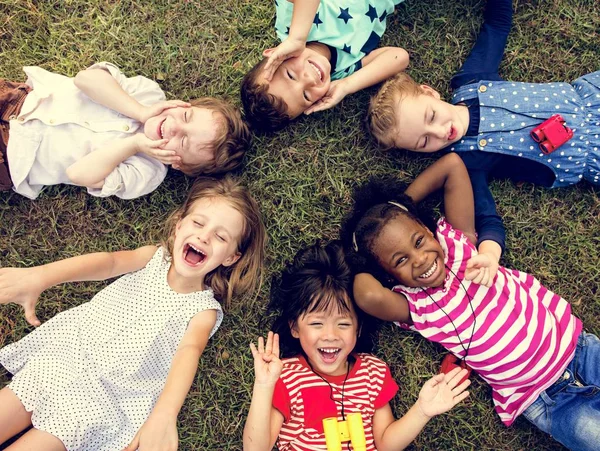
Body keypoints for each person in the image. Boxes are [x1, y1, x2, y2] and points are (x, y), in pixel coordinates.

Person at [341, 153, 600, 451]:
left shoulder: (460, 245)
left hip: (578, 348)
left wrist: (398, 207)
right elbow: (366, 294)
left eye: (418, 241)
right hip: (541, 397)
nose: (420, 259)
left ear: (428, 231)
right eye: (400, 260)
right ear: (388, 276)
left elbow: (452, 166)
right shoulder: (415, 308)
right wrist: (357, 256)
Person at [0, 175, 266, 450]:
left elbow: (189, 353)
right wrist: (41, 277)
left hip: (101, 398)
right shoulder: (153, 258)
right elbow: (109, 263)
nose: (204, 235)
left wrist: (164, 414)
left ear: (231, 257)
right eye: (198, 222)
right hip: (67, 355)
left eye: (221, 236)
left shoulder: (203, 310)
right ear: (178, 225)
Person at [367, 0, 600, 253]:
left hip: (591, 98)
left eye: (431, 116)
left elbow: (496, 27)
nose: (439, 132)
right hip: (590, 154)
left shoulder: (471, 79)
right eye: (424, 142)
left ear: (429, 92)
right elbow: (487, 217)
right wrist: (489, 253)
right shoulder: (467, 162)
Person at [243, 240, 470, 451]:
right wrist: (264, 385)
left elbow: (386, 443)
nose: (330, 335)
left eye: (343, 323)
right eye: (316, 323)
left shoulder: (374, 373)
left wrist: (421, 411)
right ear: (294, 328)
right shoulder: (286, 376)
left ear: (358, 328)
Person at [0, 62, 250, 199]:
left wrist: (134, 144)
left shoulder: (146, 173)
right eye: (186, 116)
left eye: (183, 142)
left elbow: (78, 174)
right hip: (20, 100)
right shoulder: (148, 94)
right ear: (184, 104)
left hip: (13, 158)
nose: (174, 126)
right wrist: (139, 112)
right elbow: (85, 79)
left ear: (180, 164)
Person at [241, 0, 409, 132]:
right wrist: (346, 85)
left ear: (276, 54)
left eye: (291, 75)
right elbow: (399, 57)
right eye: (306, 95)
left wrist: (297, 38)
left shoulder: (290, 25)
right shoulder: (343, 71)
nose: (309, 80)